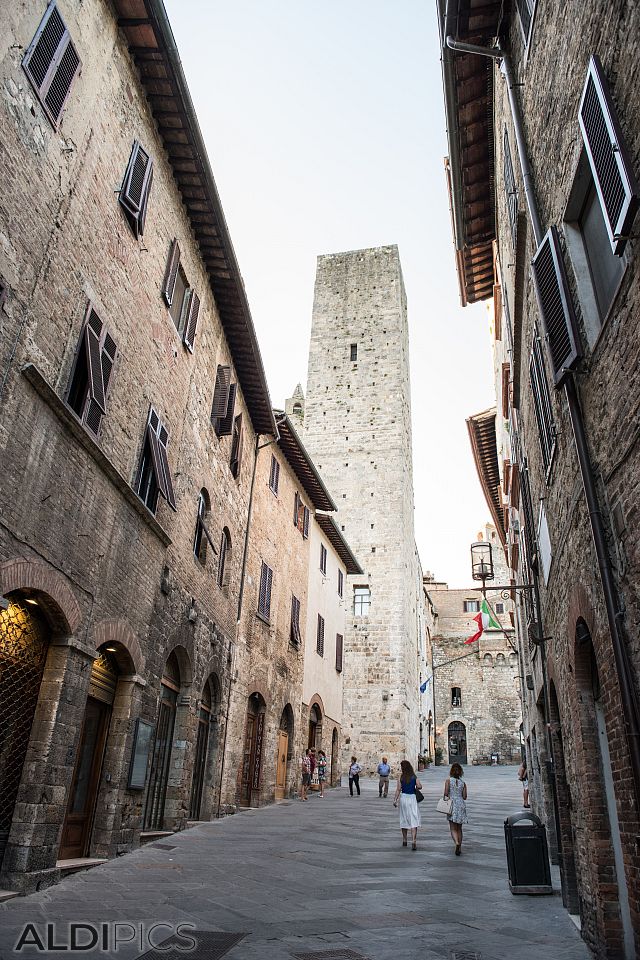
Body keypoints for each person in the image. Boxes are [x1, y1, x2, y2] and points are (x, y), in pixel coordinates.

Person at [393, 759, 422, 849]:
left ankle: (405, 840)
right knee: (413, 818)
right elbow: (420, 786)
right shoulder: (414, 776)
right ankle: (413, 841)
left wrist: (395, 800)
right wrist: (415, 787)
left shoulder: (401, 777)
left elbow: (398, 789)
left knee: (404, 818)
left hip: (404, 798)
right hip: (412, 798)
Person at [444, 762, 468, 855]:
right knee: (459, 828)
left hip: (452, 804)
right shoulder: (463, 783)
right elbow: (465, 796)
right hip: (461, 804)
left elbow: (446, 793)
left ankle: (456, 843)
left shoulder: (448, 781)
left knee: (453, 828)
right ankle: (460, 846)